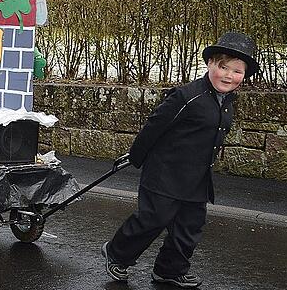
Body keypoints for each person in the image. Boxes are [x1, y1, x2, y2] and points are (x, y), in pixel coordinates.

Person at [101, 32, 259, 288]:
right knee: (153, 219)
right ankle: (117, 253)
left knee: (189, 227)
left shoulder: (228, 101)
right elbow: (155, 126)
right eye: (223, 67)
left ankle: (169, 271)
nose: (229, 75)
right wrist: (137, 156)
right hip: (165, 173)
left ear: (244, 76)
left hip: (197, 177)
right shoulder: (187, 96)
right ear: (210, 64)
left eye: (237, 71)